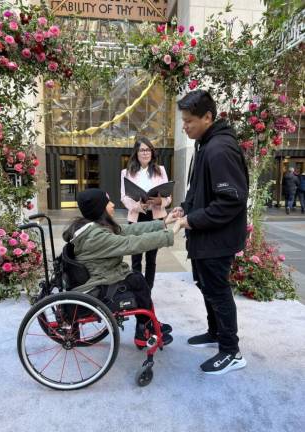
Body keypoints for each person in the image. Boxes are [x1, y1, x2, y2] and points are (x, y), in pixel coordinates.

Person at [172, 89, 249, 375]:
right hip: (206, 236)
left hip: (217, 239)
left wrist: (192, 221)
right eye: (183, 120)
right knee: (207, 288)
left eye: (190, 121)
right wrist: (183, 208)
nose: (185, 126)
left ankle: (231, 351)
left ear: (208, 117)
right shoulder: (206, 144)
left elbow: (230, 200)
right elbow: (200, 190)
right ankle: (215, 332)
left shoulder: (219, 149)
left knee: (218, 292)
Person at [62, 188, 181, 345]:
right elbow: (131, 243)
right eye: (108, 202)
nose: (112, 204)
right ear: (100, 208)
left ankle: (147, 324)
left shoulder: (93, 227)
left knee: (136, 278)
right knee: (137, 281)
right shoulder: (96, 236)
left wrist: (164, 223)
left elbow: (129, 230)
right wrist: (170, 234)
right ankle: (144, 330)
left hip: (102, 273)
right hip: (99, 283)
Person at [121, 137, 172, 289]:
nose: (145, 153)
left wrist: (160, 202)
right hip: (137, 217)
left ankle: (148, 291)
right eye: (142, 150)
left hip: (155, 217)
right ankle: (137, 290)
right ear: (136, 153)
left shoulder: (160, 170)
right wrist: (139, 205)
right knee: (136, 257)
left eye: (148, 149)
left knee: (151, 258)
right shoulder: (126, 172)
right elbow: (124, 197)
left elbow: (168, 196)